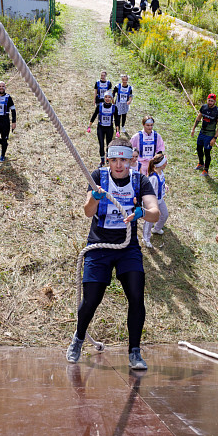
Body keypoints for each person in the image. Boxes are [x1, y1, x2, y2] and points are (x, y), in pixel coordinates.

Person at [66, 138, 160, 370]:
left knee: (137, 296)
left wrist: (141, 213)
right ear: (108, 159)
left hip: (127, 248)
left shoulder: (140, 180)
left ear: (131, 160)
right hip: (99, 246)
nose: (119, 165)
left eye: (124, 160)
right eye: (114, 160)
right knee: (91, 299)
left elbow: (155, 213)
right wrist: (94, 199)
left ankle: (135, 351)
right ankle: (78, 338)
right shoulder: (98, 177)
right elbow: (88, 212)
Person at [191, 93, 218, 177]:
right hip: (202, 133)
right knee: (198, 148)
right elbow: (198, 118)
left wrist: (214, 138)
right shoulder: (204, 107)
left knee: (207, 152)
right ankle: (201, 163)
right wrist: (193, 129)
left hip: (210, 135)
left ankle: (206, 170)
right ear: (207, 100)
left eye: (212, 101)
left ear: (215, 102)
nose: (210, 102)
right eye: (209, 100)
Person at [142, 153, 169, 248]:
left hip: (160, 200)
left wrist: (164, 186)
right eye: (165, 162)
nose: (166, 164)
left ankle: (157, 229)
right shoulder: (153, 177)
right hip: (153, 203)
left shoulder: (161, 172)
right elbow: (149, 191)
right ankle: (145, 238)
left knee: (165, 215)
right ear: (160, 164)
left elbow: (161, 182)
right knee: (149, 221)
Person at [87, 92, 120, 167]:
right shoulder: (99, 106)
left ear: (111, 98)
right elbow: (94, 115)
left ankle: (108, 159)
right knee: (101, 145)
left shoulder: (114, 107)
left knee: (109, 145)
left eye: (109, 97)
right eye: (106, 97)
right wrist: (89, 126)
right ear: (104, 98)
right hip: (101, 128)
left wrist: (118, 131)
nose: (107, 99)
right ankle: (102, 161)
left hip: (109, 128)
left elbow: (117, 120)